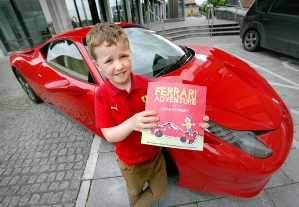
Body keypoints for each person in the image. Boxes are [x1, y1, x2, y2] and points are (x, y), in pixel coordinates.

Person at [86, 22, 209, 207]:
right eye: (109, 61)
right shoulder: (102, 96)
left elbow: (172, 116)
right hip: (130, 164)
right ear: (97, 65)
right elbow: (109, 134)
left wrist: (194, 120)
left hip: (156, 155)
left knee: (160, 190)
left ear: (130, 54)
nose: (119, 66)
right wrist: (131, 124)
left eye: (123, 56)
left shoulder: (148, 85)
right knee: (134, 192)